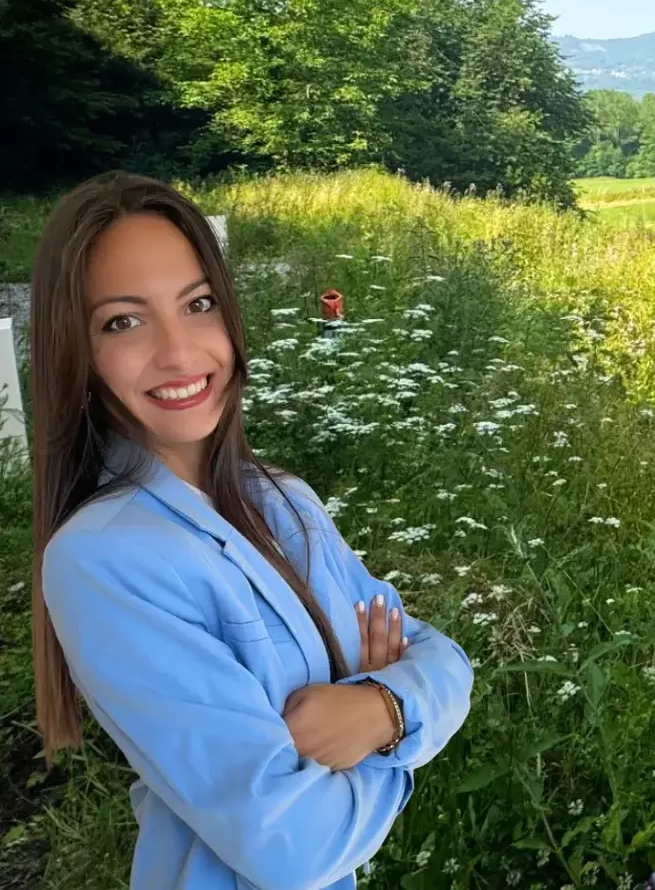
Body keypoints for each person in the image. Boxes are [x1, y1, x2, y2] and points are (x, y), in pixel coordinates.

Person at [28, 172, 474, 889]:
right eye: (123, 320)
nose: (179, 352)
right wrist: (397, 740)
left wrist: (383, 707)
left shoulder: (285, 502)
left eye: (197, 303)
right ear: (76, 353)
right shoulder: (99, 559)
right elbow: (291, 843)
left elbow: (444, 659)